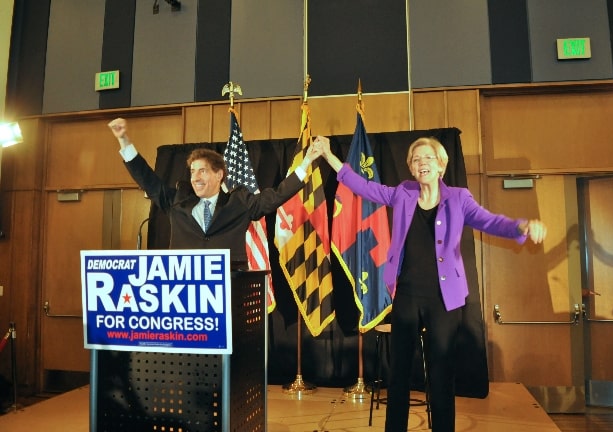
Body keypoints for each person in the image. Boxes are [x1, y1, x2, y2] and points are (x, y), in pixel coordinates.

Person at [314, 135, 547, 432]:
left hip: (444, 299)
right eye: (416, 159)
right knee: (398, 374)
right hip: (407, 295)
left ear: (441, 165)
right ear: (411, 169)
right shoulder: (403, 193)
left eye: (428, 158)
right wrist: (329, 156)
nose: (422, 163)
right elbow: (364, 187)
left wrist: (521, 225)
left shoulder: (459, 198)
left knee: (441, 374)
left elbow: (489, 221)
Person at [108, 117, 322, 267]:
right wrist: (124, 141)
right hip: (185, 287)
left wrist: (306, 162)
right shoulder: (178, 202)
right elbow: (148, 179)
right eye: (192, 172)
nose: (195, 177)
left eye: (202, 171)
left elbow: (275, 196)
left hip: (227, 289)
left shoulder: (238, 202)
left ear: (219, 175)